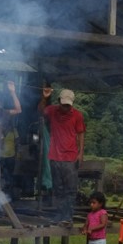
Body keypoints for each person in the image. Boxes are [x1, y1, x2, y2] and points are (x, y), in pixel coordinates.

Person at [38, 86, 85, 225]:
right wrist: (45, 98)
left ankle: (67, 216)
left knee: (70, 189)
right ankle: (59, 215)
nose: (65, 108)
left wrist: (80, 153)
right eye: (63, 105)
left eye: (68, 105)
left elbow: (81, 133)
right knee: (57, 188)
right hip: (55, 156)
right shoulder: (52, 110)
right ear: (59, 101)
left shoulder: (77, 115)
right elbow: (40, 111)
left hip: (70, 157)